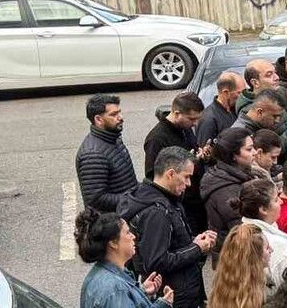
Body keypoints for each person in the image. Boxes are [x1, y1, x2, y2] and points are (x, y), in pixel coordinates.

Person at [118, 147, 217, 308]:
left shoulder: (157, 200)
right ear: (171, 173)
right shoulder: (158, 211)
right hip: (178, 304)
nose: (189, 183)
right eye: (187, 177)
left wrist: (192, 243)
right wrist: (197, 250)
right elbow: (157, 262)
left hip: (174, 301)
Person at [75, 209, 173, 308]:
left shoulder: (104, 275)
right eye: (127, 233)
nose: (133, 236)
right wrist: (161, 306)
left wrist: (142, 292)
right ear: (113, 243)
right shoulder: (113, 287)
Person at [144, 92, 206, 228]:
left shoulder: (185, 128)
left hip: (195, 201)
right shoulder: (156, 139)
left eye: (197, 119)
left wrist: (199, 156)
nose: (195, 124)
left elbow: (191, 153)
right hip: (180, 205)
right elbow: (153, 177)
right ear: (177, 113)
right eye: (191, 119)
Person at [200, 128, 258, 256]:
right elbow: (242, 230)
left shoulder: (238, 174)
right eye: (249, 149)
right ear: (233, 156)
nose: (255, 152)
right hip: (235, 257)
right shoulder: (226, 190)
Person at [76, 94, 137, 213]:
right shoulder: (92, 155)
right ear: (98, 119)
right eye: (113, 114)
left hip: (126, 213)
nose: (121, 117)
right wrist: (134, 199)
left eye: (119, 112)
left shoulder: (114, 139)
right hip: (112, 225)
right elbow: (96, 199)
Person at [199, 72, 246, 146]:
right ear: (226, 93)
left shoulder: (237, 109)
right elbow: (206, 151)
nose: (243, 96)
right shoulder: (208, 119)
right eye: (239, 93)